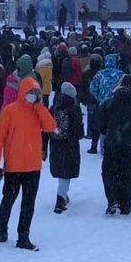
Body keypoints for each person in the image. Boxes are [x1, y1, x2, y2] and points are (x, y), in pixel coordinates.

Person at [0, 75, 56, 251]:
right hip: (14, 166)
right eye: (30, 91)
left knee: (28, 203)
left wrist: (40, 106)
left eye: (36, 92)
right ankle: (3, 226)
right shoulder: (10, 111)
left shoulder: (38, 111)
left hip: (33, 166)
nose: (32, 94)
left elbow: (50, 127)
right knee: (9, 199)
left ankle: (23, 236)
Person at [92, 74, 131, 218]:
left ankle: (112, 200)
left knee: (109, 173)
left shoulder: (109, 103)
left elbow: (98, 123)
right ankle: (125, 204)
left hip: (112, 144)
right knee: (127, 175)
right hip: (130, 146)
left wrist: (109, 130)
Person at [48, 81, 83, 213]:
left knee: (61, 170)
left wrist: (44, 147)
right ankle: (61, 198)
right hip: (70, 144)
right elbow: (78, 130)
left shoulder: (54, 107)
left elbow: (47, 128)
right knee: (67, 171)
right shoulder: (74, 108)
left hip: (56, 144)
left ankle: (63, 194)